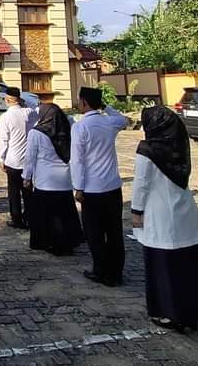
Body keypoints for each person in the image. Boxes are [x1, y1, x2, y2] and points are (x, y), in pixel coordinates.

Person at [132, 106, 198, 331]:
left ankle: (170, 312)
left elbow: (141, 183)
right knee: (189, 265)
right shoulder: (178, 145)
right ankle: (193, 311)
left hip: (159, 213)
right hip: (184, 210)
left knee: (164, 266)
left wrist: (136, 211)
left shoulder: (147, 150)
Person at [71, 86, 130, 287]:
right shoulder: (110, 122)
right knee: (114, 231)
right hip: (112, 186)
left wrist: (78, 187)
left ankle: (100, 269)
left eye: (80, 100)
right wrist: (105, 107)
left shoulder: (80, 127)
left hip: (92, 188)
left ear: (84, 103)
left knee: (94, 232)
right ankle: (116, 272)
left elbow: (77, 160)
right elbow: (124, 119)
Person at [22, 103, 84, 256]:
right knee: (65, 213)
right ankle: (68, 242)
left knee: (49, 215)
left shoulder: (36, 133)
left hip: (45, 179)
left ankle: (48, 242)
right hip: (65, 178)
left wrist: (26, 177)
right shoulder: (69, 128)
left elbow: (30, 158)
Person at [0, 87, 38, 229]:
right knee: (28, 190)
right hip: (29, 157)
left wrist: (1, 158)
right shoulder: (30, 112)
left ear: (7, 100)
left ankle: (16, 218)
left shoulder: (5, 117)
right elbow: (35, 106)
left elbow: (3, 139)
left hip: (13, 159)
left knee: (13, 191)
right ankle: (30, 216)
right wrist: (22, 101)